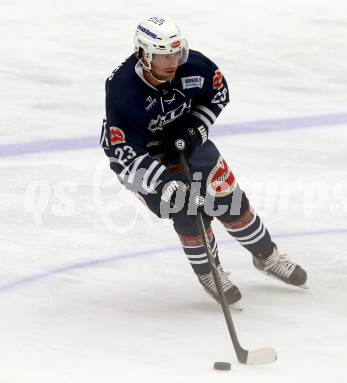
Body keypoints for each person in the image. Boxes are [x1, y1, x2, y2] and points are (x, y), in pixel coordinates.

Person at [100, 16, 307, 307]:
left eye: (175, 53)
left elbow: (219, 93)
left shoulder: (194, 66)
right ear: (143, 55)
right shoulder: (123, 89)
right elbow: (123, 152)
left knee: (228, 198)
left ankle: (266, 255)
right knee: (184, 207)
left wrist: (195, 129)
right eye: (163, 56)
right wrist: (164, 180)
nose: (172, 62)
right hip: (142, 158)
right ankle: (210, 271)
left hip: (185, 141)